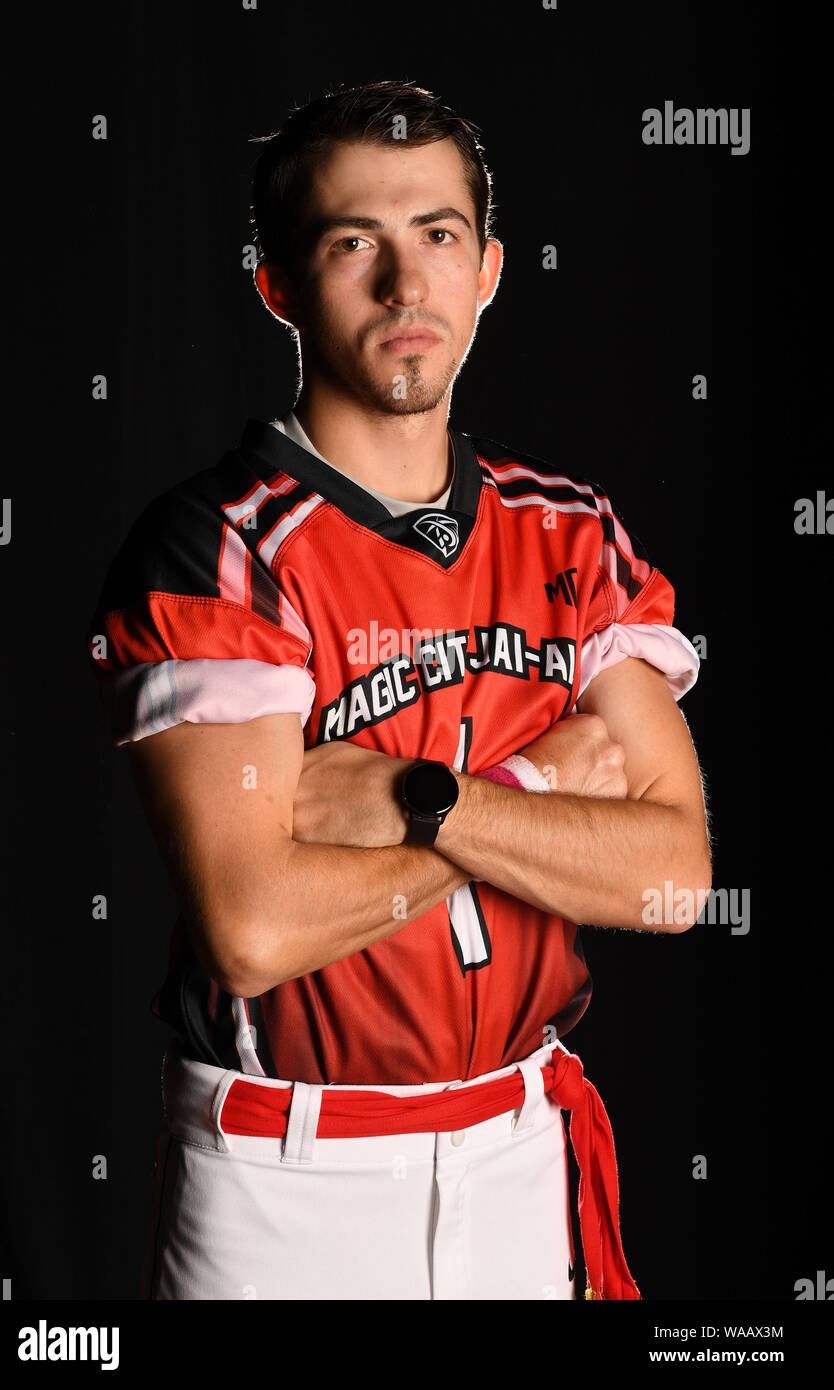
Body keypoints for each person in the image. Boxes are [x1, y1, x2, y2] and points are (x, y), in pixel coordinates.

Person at [87, 78, 711, 1301]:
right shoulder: (219, 547)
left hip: (525, 1154)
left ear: (486, 270)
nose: (401, 283)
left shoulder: (571, 536)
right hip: (288, 1182)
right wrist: (539, 791)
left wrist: (422, 799)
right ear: (277, 285)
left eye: (435, 236)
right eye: (350, 243)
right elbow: (254, 931)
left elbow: (673, 877)